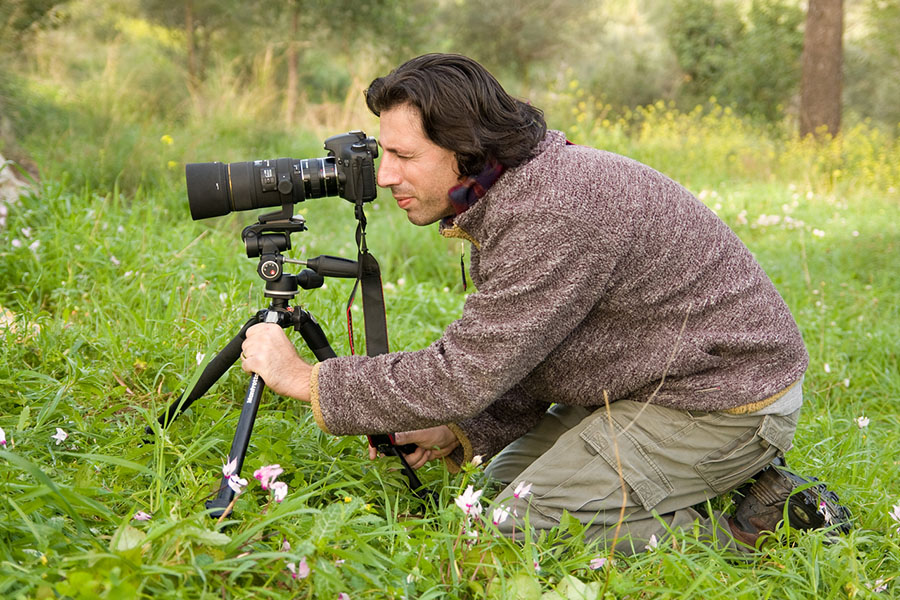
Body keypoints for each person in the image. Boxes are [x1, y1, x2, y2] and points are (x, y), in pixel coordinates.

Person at [239, 53, 847, 553]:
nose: (385, 176)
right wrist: (462, 428)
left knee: (515, 530)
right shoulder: (516, 189)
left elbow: (465, 370)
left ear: (466, 149)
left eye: (403, 156)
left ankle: (770, 526)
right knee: (498, 484)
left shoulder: (550, 210)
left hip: (722, 399)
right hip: (646, 381)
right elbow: (539, 346)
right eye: (384, 153)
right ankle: (716, 485)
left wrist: (307, 379)